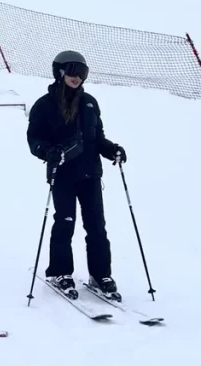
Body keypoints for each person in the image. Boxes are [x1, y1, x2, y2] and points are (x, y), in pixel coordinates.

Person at [27, 50, 126, 300]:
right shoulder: (44, 105)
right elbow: (34, 139)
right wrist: (47, 151)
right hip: (62, 174)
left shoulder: (89, 103)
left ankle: (100, 275)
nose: (77, 77)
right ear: (59, 72)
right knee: (65, 222)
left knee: (96, 226)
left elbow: (97, 138)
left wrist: (112, 150)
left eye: (82, 72)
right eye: (72, 70)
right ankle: (60, 271)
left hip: (90, 174)